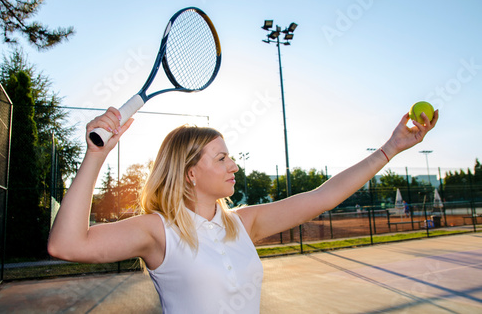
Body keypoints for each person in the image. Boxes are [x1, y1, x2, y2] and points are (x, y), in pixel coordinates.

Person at [48, 107, 438, 313]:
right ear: (190, 175)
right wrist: (95, 156)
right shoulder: (157, 231)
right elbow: (67, 245)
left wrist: (391, 148)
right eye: (221, 158)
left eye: (230, 156)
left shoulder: (241, 223)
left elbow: (324, 196)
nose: (233, 165)